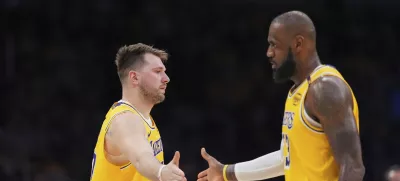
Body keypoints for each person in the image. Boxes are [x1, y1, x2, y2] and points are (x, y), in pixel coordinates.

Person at [197, 10, 365, 181]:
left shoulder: (325, 88)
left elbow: (353, 167)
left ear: (298, 44)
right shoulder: (298, 91)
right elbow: (289, 158)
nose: (269, 53)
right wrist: (226, 172)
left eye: (274, 44)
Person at [90, 43, 186, 181]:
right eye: (157, 71)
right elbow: (141, 158)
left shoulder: (144, 119)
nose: (166, 79)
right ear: (134, 77)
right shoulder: (125, 119)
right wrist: (161, 171)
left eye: (164, 71)